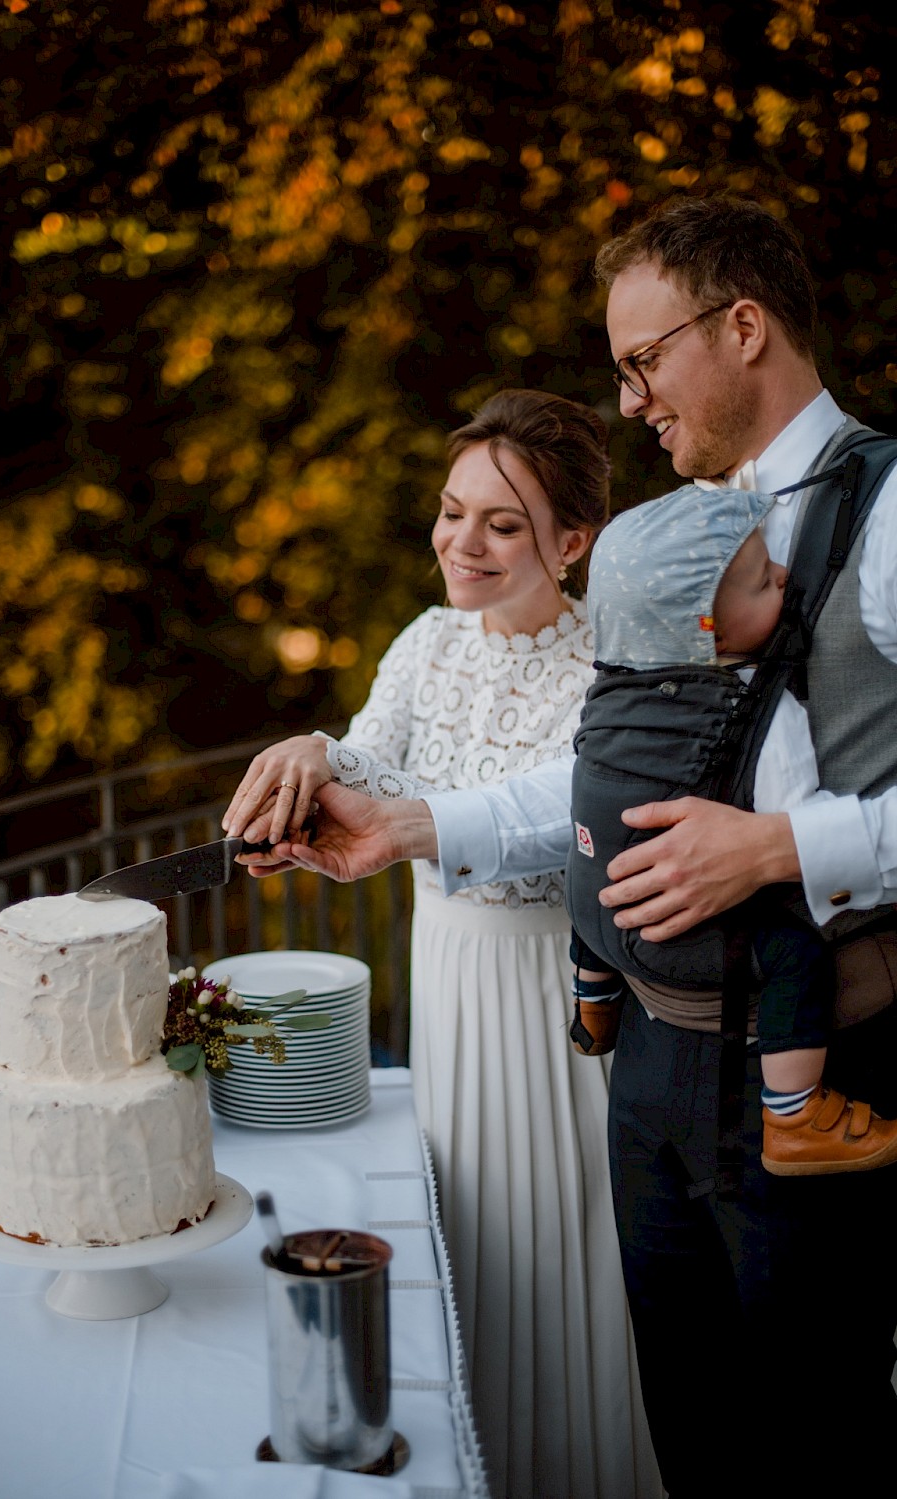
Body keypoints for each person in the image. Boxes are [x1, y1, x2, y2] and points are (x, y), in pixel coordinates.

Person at [268, 197, 897, 1498]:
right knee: (683, 1423)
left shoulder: (890, 510)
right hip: (650, 1061)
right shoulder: (684, 533)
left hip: (813, 1045)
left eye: (643, 361)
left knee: (811, 1424)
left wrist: (787, 842)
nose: (626, 401)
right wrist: (410, 821)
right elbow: (597, 768)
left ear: (743, 325)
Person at [223, 389, 660, 1499]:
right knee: (468, 1235)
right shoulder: (424, 641)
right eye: (451, 510)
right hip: (450, 987)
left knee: (565, 1244)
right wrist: (310, 774)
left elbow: (566, 824)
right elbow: (373, 758)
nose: (460, 541)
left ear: (572, 540)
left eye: (501, 523)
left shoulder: (617, 656)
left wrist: (366, 793)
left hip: (564, 996)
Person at [566, 479, 897, 1175]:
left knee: (594, 868)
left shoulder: (609, 688)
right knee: (794, 955)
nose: (783, 574)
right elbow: (790, 825)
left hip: (597, 918)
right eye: (760, 580)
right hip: (675, 940)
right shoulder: (757, 711)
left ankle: (592, 1009)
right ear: (704, 627)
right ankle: (795, 1113)